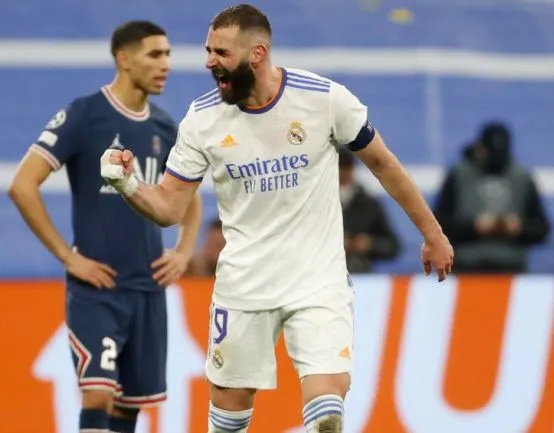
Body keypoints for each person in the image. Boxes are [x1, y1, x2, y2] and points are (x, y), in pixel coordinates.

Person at [98, 4, 454, 433]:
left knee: (326, 417)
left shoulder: (323, 99)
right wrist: (130, 183)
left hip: (317, 281)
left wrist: (432, 234)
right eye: (208, 50)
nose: (210, 62)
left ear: (258, 54)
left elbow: (383, 164)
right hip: (244, 286)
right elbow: (169, 208)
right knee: (228, 420)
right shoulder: (203, 119)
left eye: (221, 53)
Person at [8, 21, 202, 433]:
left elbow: (190, 199)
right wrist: (67, 256)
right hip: (98, 290)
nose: (166, 63)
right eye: (155, 54)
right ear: (124, 59)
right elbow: (23, 186)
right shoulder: (86, 114)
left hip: (147, 290)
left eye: (168, 54)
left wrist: (184, 250)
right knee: (98, 393)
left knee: (130, 408)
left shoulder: (166, 128)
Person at [434, 121, 550, 273]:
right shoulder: (458, 176)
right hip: (466, 269)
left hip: (510, 269)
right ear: (479, 148)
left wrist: (518, 228)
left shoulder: (522, 179)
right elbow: (438, 226)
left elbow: (542, 229)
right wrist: (474, 227)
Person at [338, 147, 401, 273]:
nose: (343, 173)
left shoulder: (369, 204)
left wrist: (370, 244)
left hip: (360, 275)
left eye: (346, 168)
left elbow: (393, 246)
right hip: (325, 278)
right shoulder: (317, 203)